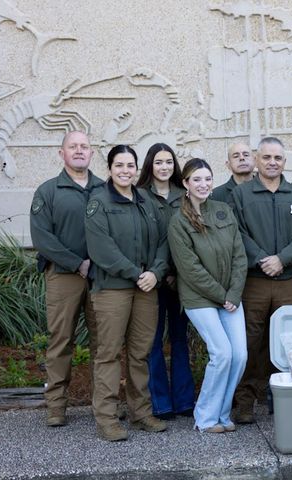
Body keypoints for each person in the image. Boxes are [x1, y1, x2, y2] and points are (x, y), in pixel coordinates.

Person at [85, 145, 169, 441]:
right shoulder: (98, 202)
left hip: (146, 288)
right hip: (113, 289)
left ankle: (141, 413)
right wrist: (137, 274)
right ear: (109, 169)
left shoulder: (145, 199)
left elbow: (162, 240)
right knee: (108, 355)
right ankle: (107, 419)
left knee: (140, 354)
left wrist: (156, 272)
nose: (125, 171)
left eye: (130, 165)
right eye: (119, 165)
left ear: (137, 169)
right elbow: (101, 249)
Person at [231, 137, 292, 424]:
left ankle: (288, 400)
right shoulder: (242, 195)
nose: (272, 162)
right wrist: (263, 259)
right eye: (266, 157)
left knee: (291, 342)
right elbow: (237, 233)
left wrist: (283, 259)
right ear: (257, 160)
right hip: (255, 281)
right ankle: (245, 401)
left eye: (277, 158)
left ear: (284, 162)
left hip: (289, 280)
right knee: (250, 342)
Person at [168, 159, 248, 434]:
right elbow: (189, 269)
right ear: (186, 185)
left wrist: (234, 293)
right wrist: (221, 295)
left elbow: (240, 255)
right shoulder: (179, 221)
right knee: (222, 353)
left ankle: (223, 416)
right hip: (200, 298)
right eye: (197, 180)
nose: (203, 184)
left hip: (230, 297)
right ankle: (205, 417)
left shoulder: (223, 210)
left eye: (208, 179)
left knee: (239, 355)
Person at [30, 131, 103, 427]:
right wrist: (77, 263)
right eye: (72, 147)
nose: (79, 151)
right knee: (61, 341)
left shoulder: (106, 188)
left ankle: (105, 405)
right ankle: (56, 406)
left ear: (92, 153)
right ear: (61, 153)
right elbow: (42, 238)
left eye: (84, 147)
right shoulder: (48, 191)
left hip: (102, 280)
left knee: (105, 344)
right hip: (63, 276)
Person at [135, 143, 195, 420]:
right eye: (158, 162)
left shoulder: (185, 196)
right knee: (153, 341)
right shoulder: (139, 196)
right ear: (150, 165)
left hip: (181, 280)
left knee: (180, 340)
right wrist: (157, 272)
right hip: (151, 281)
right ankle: (160, 403)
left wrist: (177, 273)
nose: (164, 167)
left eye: (169, 162)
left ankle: (184, 401)